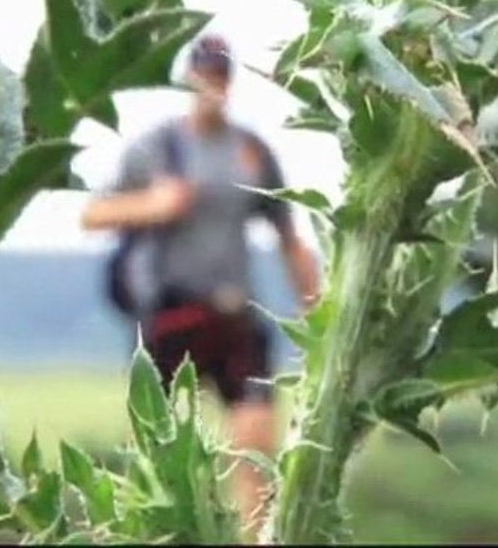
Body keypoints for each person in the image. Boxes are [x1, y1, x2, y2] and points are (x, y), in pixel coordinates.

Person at [80, 33, 321, 536]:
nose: (211, 87)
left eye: (220, 78)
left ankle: (260, 537)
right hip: (169, 316)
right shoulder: (154, 148)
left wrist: (320, 312)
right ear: (188, 79)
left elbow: (288, 237)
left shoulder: (252, 152)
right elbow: (95, 213)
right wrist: (154, 205)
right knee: (157, 456)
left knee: (257, 445)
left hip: (233, 314)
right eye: (203, 77)